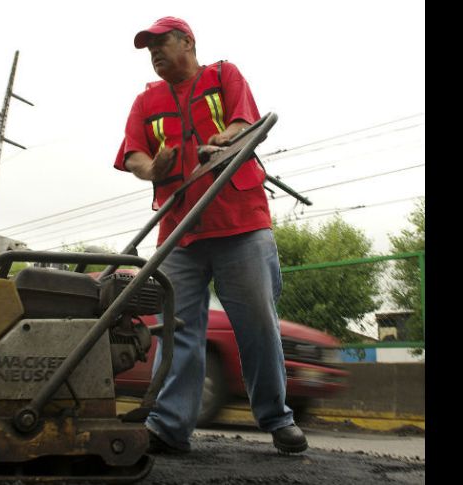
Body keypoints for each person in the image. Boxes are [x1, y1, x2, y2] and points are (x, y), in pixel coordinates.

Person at [113, 16, 308, 455]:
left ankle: (277, 418)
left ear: (188, 41)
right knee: (177, 327)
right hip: (180, 228)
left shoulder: (224, 75)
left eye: (162, 44)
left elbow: (246, 123)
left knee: (256, 322)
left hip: (239, 222)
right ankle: (170, 425)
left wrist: (227, 138)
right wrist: (153, 169)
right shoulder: (147, 100)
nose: (155, 54)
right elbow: (133, 155)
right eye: (149, 50)